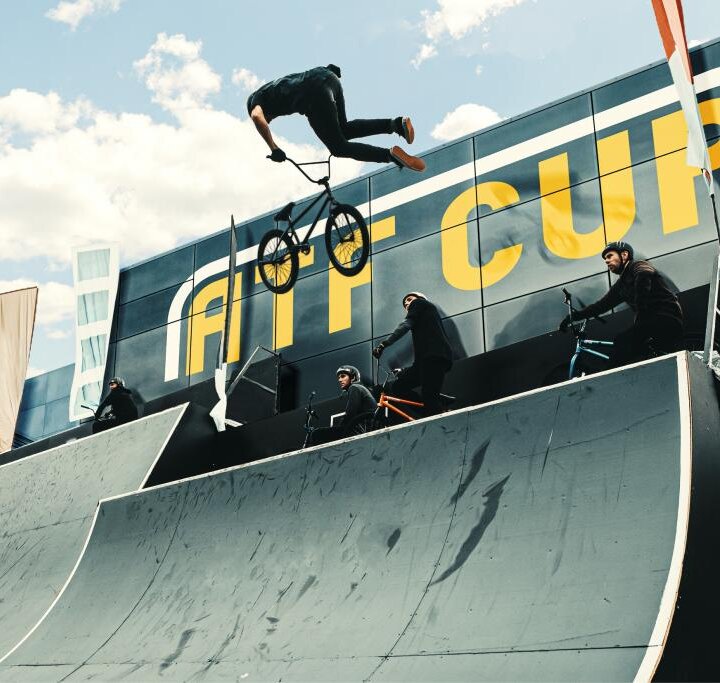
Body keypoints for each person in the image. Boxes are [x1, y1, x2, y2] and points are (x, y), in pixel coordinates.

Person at [247, 64, 426, 172]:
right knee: (344, 129)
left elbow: (256, 117)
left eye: (269, 119)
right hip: (329, 78)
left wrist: (274, 148)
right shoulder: (275, 87)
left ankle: (390, 156)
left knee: (338, 147)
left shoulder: (257, 99)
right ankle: (396, 124)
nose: (269, 121)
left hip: (312, 93)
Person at [559, 241, 683, 366]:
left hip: (665, 316)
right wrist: (572, 318)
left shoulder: (638, 265)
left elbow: (644, 276)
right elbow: (600, 306)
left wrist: (641, 311)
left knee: (621, 342)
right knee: (632, 350)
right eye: (605, 259)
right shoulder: (621, 285)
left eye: (610, 256)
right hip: (649, 322)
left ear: (624, 255)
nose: (606, 261)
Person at [372, 292, 453, 416]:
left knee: (430, 399)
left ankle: (435, 407)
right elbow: (411, 350)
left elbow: (405, 325)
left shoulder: (419, 303)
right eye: (405, 304)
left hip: (433, 358)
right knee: (398, 387)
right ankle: (432, 404)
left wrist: (384, 344)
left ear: (420, 299)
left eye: (409, 300)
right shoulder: (425, 319)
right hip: (424, 362)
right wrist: (403, 370)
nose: (407, 303)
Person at [307, 365, 378, 446]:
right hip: (362, 424)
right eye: (339, 378)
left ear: (353, 378)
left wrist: (340, 426)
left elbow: (351, 412)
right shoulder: (359, 388)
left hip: (360, 425)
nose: (340, 380)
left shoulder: (354, 388)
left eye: (343, 376)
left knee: (316, 433)